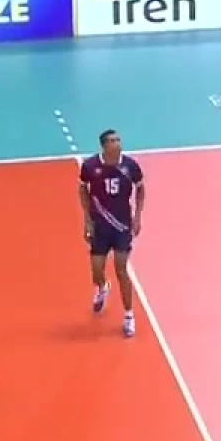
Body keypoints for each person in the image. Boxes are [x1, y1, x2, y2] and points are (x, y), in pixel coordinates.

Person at [80, 129, 145, 339]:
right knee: (96, 270)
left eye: (118, 139)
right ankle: (102, 287)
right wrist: (87, 220)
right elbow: (83, 189)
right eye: (112, 140)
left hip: (122, 226)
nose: (117, 143)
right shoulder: (90, 166)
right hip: (100, 225)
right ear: (104, 146)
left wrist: (137, 217)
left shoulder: (130, 166)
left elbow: (141, 189)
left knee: (121, 268)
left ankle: (129, 316)